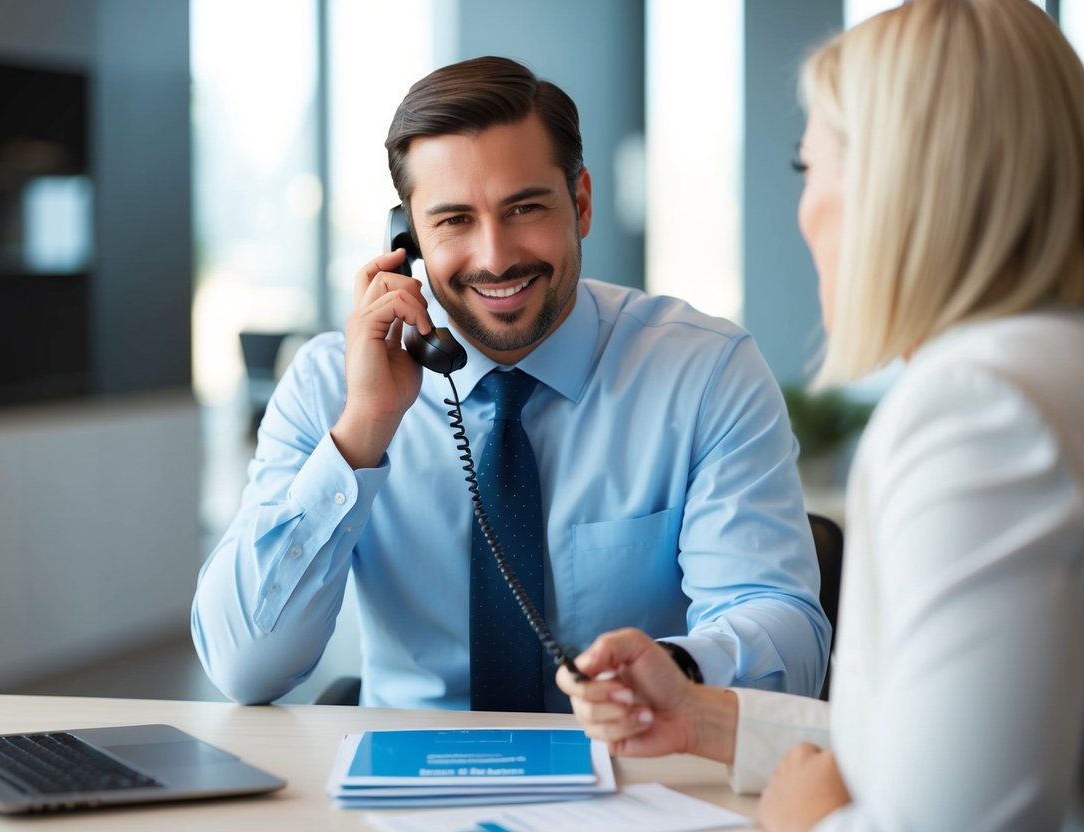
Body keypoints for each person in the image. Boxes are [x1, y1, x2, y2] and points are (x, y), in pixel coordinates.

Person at [558, 1, 1084, 829]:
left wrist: (804, 821)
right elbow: (949, 740)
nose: (804, 212)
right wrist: (705, 719)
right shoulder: (1050, 373)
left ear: (897, 187)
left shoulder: (976, 411)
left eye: (809, 169)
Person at [191, 55, 829, 713]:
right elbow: (245, 668)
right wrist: (361, 433)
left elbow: (787, 638)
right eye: (454, 220)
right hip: (409, 789)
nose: (494, 256)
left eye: (523, 208)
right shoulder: (331, 384)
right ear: (405, 240)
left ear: (580, 203)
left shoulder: (703, 373)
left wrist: (675, 670)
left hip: (632, 769)